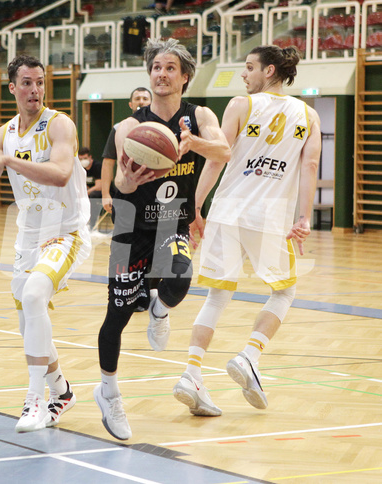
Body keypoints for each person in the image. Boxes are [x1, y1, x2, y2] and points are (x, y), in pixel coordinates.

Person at [173, 45, 321, 417]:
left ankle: (191, 374)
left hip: (227, 212)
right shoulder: (309, 115)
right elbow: (311, 166)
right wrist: (303, 218)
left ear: (269, 71)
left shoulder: (240, 105)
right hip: (269, 219)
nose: (244, 73)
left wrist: (195, 206)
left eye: (249, 67)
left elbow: (216, 158)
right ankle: (250, 355)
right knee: (284, 292)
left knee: (217, 296)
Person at [93, 38, 230, 440]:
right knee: (115, 316)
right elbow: (119, 182)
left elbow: (223, 149)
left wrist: (193, 144)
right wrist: (126, 180)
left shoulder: (199, 115)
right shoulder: (131, 126)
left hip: (172, 220)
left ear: (185, 76)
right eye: (156, 67)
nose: (161, 74)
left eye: (170, 68)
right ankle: (108, 392)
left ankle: (159, 308)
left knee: (181, 279)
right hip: (130, 226)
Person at [0, 54, 91, 433]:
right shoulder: (2, 135)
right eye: (26, 82)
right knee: (30, 326)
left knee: (36, 296)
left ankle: (35, 398)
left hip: (65, 232)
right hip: (28, 237)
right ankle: (61, 391)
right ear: (12, 88)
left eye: (39, 82)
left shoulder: (59, 125)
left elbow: (60, 173)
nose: (34, 89)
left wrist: (8, 160)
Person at [100, 87, 152, 216]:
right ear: (130, 104)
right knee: (124, 234)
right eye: (137, 99)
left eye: (145, 99)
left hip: (152, 192)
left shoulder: (160, 130)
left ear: (152, 102)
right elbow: (108, 162)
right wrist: (105, 194)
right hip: (125, 191)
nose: (141, 102)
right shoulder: (119, 128)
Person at [79, 147, 103, 230]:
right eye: (80, 159)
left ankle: (92, 224)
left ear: (90, 157)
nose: (83, 161)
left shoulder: (97, 166)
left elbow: (99, 186)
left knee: (93, 196)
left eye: (85, 158)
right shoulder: (81, 169)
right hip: (90, 192)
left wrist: (86, 192)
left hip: (103, 192)